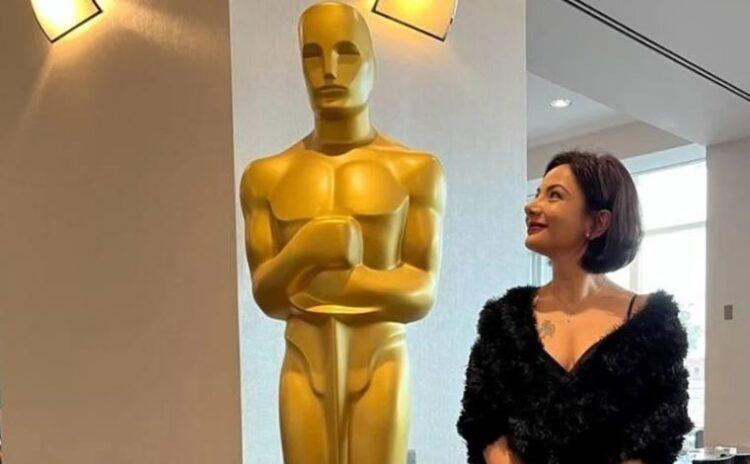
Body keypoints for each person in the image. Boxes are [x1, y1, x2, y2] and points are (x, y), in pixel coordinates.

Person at [456, 150, 693, 464]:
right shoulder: (505, 320)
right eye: (537, 193)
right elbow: (484, 422)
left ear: (598, 221)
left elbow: (658, 437)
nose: (531, 205)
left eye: (554, 195)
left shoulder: (651, 325)